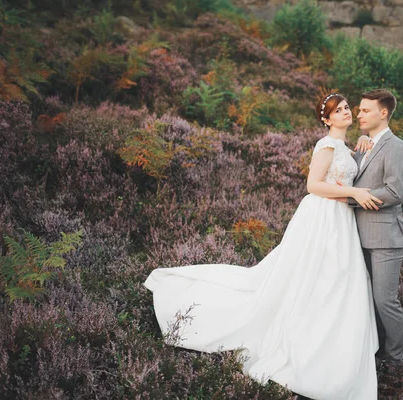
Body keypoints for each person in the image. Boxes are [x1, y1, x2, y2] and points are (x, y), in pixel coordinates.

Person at [144, 93, 381, 399]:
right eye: (339, 110)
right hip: (322, 218)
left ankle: (329, 337)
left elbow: (349, 167)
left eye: (348, 108)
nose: (346, 112)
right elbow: (313, 185)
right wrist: (354, 192)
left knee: (337, 280)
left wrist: (362, 142)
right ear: (327, 119)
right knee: (310, 276)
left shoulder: (347, 147)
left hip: (342, 222)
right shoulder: (326, 145)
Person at [349, 89, 403, 367]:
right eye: (359, 110)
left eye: (365, 110)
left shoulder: (397, 146)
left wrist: (355, 197)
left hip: (385, 236)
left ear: (383, 113)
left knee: (384, 300)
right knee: (363, 298)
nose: (358, 114)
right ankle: (372, 349)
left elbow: (394, 191)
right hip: (356, 234)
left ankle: (398, 357)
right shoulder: (365, 144)